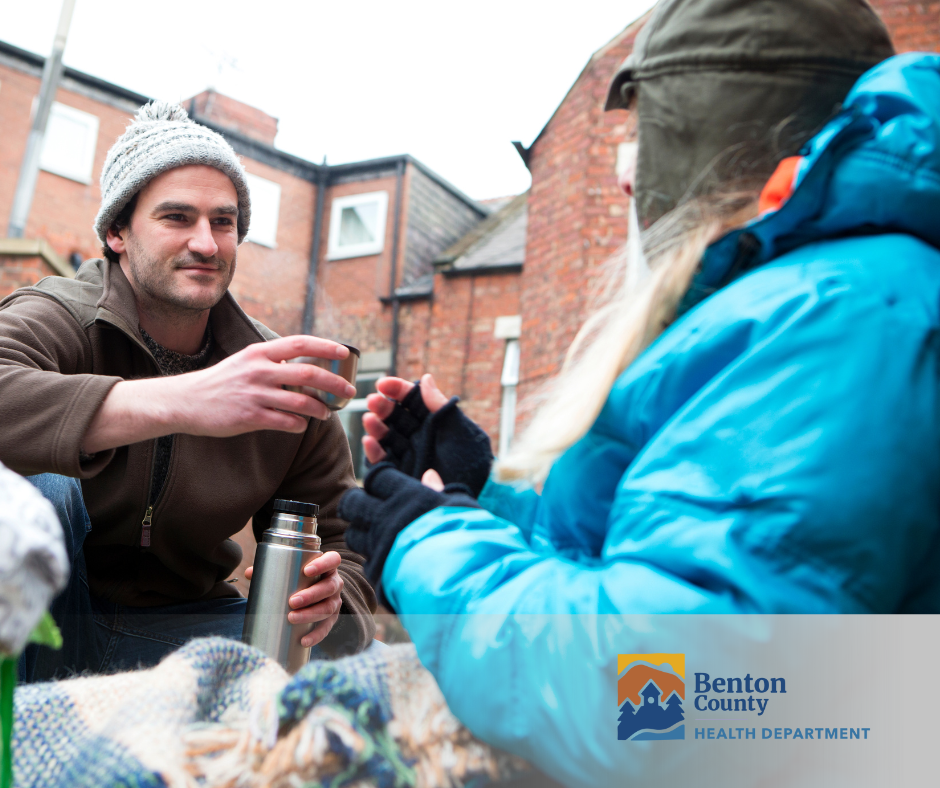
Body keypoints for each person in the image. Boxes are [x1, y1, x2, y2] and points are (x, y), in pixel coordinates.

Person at [337, 1, 940, 785]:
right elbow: (684, 577)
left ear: (707, 139)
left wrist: (428, 545)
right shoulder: (829, 291)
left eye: (646, 138)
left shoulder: (846, 316)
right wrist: (483, 499)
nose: (627, 182)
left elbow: (684, 704)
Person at [0, 102, 376, 682]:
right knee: (41, 485)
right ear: (116, 232)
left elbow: (345, 540)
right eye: (177, 217)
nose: (206, 242)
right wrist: (185, 400)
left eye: (223, 222)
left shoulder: (276, 372)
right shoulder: (60, 317)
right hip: (38, 621)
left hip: (184, 628)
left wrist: (335, 595)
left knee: (343, 671)